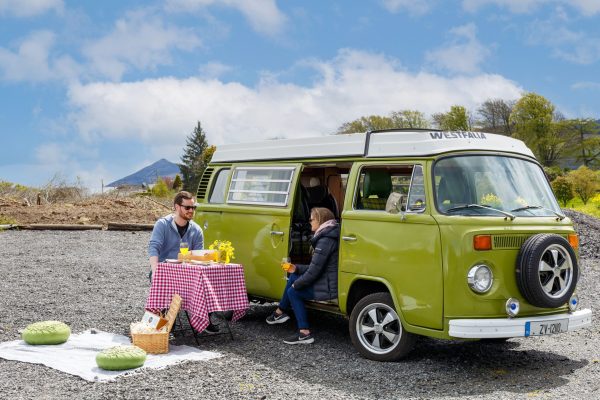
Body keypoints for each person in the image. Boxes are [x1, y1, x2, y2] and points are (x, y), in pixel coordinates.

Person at [148, 190, 219, 334]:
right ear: (177, 207)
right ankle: (165, 319)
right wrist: (155, 271)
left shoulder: (196, 229)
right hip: (164, 270)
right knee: (161, 283)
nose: (191, 211)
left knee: (210, 281)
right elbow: (153, 247)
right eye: (187, 207)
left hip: (187, 271)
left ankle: (202, 319)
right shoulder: (162, 224)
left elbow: (197, 255)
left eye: (193, 208)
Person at [266, 207, 339, 344]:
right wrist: (296, 268)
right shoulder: (328, 236)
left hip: (328, 287)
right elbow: (316, 267)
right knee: (294, 276)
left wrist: (296, 285)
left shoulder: (325, 241)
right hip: (325, 280)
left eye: (311, 219)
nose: (309, 222)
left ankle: (304, 333)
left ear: (320, 220)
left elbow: (314, 272)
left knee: (294, 292)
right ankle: (279, 312)